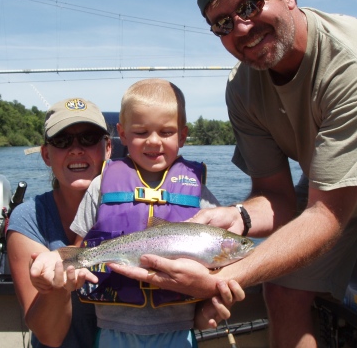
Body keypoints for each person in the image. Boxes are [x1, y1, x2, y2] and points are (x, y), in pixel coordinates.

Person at [108, 0, 357, 347]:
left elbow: (326, 216)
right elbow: (273, 193)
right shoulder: (243, 89)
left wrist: (219, 281)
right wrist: (239, 216)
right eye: (223, 22)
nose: (242, 27)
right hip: (329, 185)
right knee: (280, 291)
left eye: (250, 5)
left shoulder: (354, 67)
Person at [30, 78, 244, 347]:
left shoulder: (196, 190)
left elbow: (213, 263)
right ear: (123, 134)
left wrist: (208, 309)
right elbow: (79, 249)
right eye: (141, 132)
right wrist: (66, 273)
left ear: (183, 135)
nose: (153, 141)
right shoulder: (101, 185)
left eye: (166, 132)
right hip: (113, 332)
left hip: (178, 332)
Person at [6, 98, 112, 348]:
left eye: (88, 138)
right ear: (46, 155)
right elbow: (49, 337)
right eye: (63, 141)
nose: (76, 149)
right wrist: (59, 287)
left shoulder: (139, 207)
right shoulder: (28, 218)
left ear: (108, 148)